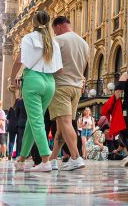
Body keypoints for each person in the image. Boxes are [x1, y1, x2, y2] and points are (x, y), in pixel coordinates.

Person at [9, 10, 63, 173]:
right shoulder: (53, 42)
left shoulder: (28, 38)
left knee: (36, 121)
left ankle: (46, 160)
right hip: (50, 82)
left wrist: (12, 78)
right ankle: (22, 159)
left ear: (33, 23)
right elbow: (59, 70)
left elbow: (19, 60)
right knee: (33, 122)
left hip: (33, 81)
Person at [50, 15, 89, 170]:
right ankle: (52, 159)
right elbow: (85, 66)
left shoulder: (58, 41)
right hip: (76, 88)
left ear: (58, 26)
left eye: (54, 30)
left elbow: (51, 64)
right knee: (62, 127)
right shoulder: (84, 43)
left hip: (61, 86)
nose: (55, 33)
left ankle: (76, 157)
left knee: (65, 123)